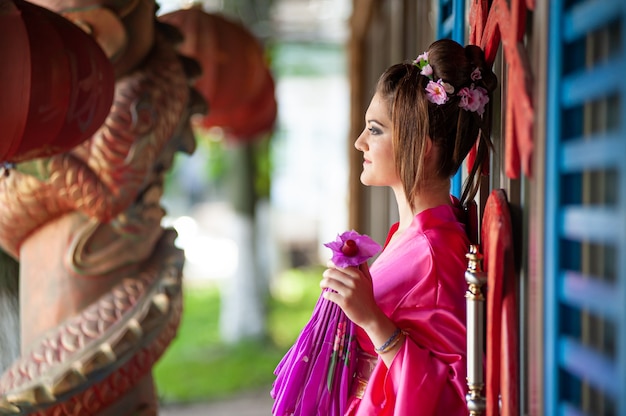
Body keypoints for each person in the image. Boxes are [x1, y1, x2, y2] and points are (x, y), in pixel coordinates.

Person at [319, 38, 497, 415]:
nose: (360, 142)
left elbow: (454, 394)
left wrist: (371, 320)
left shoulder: (437, 253)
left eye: (376, 130)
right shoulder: (415, 234)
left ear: (422, 147)